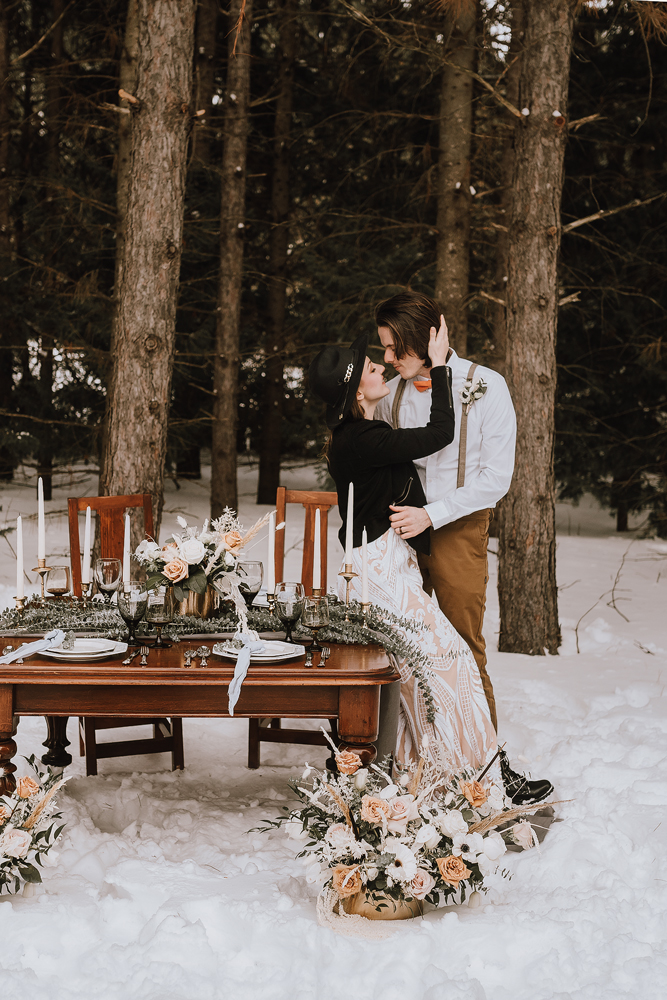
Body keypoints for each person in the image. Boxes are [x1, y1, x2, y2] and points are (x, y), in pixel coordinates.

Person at [373, 290, 552, 802]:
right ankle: (405, 764)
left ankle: (491, 773)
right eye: (383, 349)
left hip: (457, 530)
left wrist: (432, 514)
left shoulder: (486, 386)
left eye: (394, 349)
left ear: (426, 339)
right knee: (397, 646)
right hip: (400, 532)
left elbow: (497, 478)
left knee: (463, 649)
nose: (388, 359)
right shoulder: (395, 392)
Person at [309, 319, 498, 773]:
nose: (384, 367)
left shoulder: (361, 433)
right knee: (447, 666)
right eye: (373, 367)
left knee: (426, 673)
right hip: (379, 571)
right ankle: (467, 774)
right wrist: (439, 366)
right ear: (358, 391)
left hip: (383, 562)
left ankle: (437, 769)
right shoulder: (365, 439)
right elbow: (439, 433)